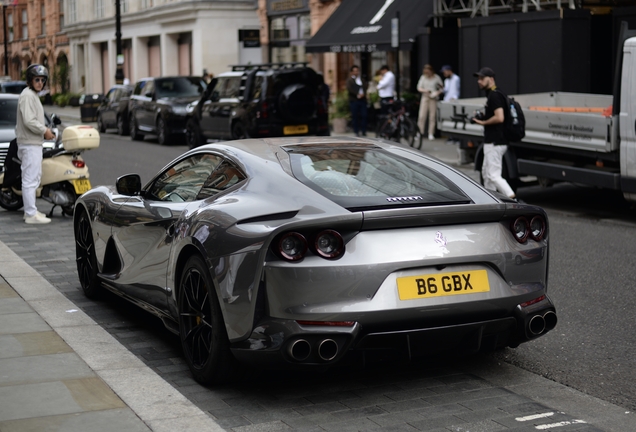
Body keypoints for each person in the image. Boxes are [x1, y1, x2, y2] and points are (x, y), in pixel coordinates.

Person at [16, 64, 55, 224]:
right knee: (30, 179)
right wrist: (44, 130)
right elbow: (29, 120)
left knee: (34, 177)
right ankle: (30, 214)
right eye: (37, 79)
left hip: (33, 142)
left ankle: (32, 210)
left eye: (42, 80)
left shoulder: (32, 95)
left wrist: (44, 131)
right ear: (30, 80)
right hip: (29, 143)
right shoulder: (27, 96)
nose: (40, 83)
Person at [471, 67, 516, 200]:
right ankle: (490, 200)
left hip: (496, 141)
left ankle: (512, 198)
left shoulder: (495, 95)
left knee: (493, 175)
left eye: (482, 78)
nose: (479, 81)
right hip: (492, 141)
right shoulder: (495, 94)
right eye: (478, 78)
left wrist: (483, 123)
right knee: (486, 173)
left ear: (491, 79)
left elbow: (499, 117)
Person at [416, 64, 443, 141]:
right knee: (421, 116)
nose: (427, 73)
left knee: (432, 116)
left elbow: (441, 88)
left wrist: (436, 93)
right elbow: (419, 87)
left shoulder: (436, 77)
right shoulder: (423, 77)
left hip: (433, 98)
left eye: (428, 72)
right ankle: (419, 133)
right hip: (425, 97)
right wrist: (425, 91)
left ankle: (431, 133)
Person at [346, 65, 368, 136]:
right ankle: (356, 131)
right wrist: (357, 94)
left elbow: (365, 87)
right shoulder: (349, 80)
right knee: (355, 116)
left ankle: (363, 130)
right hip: (354, 100)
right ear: (352, 72)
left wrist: (363, 94)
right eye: (354, 71)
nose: (356, 72)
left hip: (362, 100)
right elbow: (350, 89)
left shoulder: (362, 79)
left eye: (357, 71)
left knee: (364, 115)